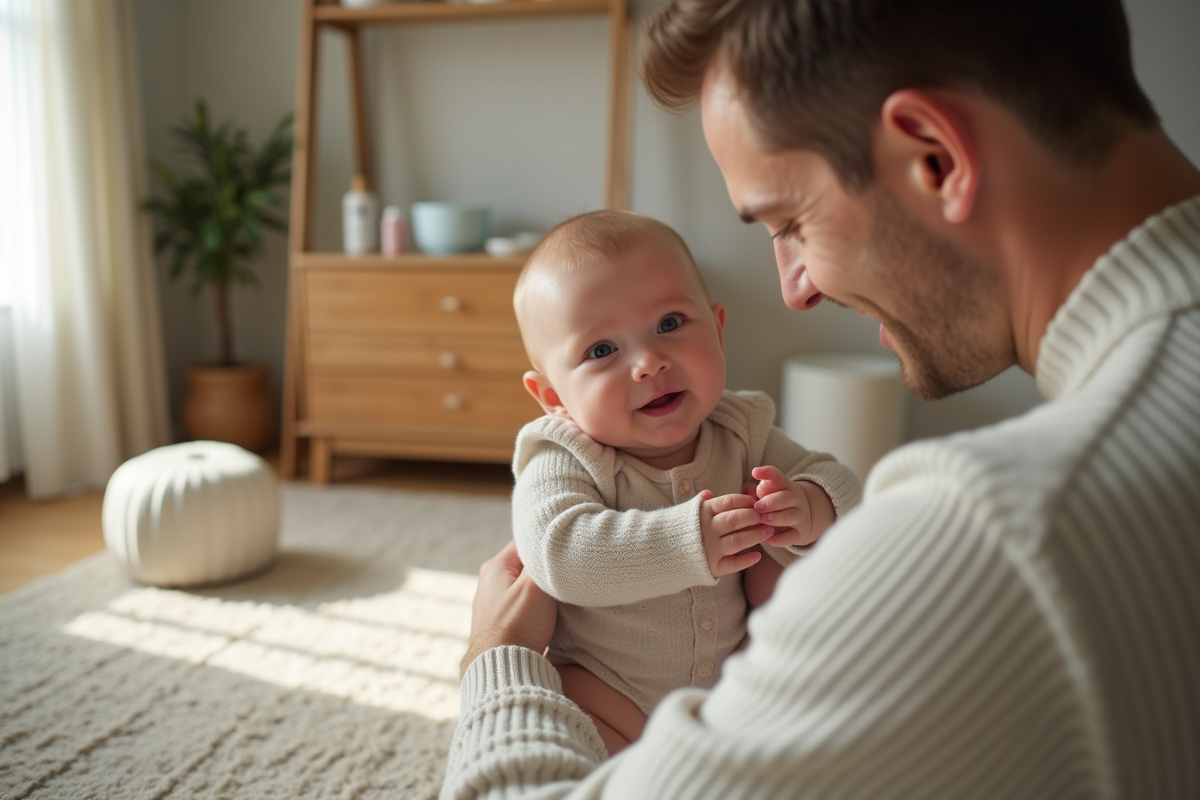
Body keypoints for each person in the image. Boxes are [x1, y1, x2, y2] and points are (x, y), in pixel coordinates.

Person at [441, 0, 1200, 796]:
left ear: (934, 157)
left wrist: (496, 658)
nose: (795, 289)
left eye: (789, 222)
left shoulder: (997, 537)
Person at [508, 209, 861, 754]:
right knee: (573, 745)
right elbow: (558, 554)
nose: (649, 362)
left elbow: (840, 481)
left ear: (717, 329)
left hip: (731, 693)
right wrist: (687, 540)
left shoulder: (740, 427)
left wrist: (810, 506)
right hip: (608, 694)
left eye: (670, 324)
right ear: (554, 398)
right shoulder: (565, 452)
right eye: (602, 351)